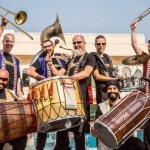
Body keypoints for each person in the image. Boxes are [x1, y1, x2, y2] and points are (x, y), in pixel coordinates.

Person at [54, 34, 97, 150]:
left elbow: (86, 73)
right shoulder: (71, 60)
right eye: (74, 43)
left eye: (79, 42)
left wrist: (69, 78)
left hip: (80, 100)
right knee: (62, 132)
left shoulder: (90, 56)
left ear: (84, 43)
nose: (77, 45)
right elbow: (59, 74)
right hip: (66, 100)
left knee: (79, 135)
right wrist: (50, 63)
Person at [27, 39, 66, 150]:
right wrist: (41, 78)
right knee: (43, 128)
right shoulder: (40, 60)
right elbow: (29, 71)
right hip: (45, 97)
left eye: (49, 46)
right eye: (44, 47)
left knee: (62, 126)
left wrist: (50, 64)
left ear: (53, 46)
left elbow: (59, 74)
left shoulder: (61, 59)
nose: (47, 48)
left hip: (60, 97)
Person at [91, 80, 146, 150]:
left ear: (118, 91)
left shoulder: (126, 104)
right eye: (109, 88)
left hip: (123, 139)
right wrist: (93, 131)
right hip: (107, 140)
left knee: (140, 145)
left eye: (114, 88)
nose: (112, 90)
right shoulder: (100, 106)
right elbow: (96, 125)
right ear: (106, 91)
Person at [130, 20, 150, 150]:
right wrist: (133, 30)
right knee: (147, 132)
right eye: (149, 46)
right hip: (147, 101)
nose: (149, 48)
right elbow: (134, 44)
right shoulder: (146, 59)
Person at [0, 68, 27, 150]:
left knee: (22, 137)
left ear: (8, 80)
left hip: (9, 131)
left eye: (4, 80)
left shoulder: (10, 94)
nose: (1, 81)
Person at [93, 35, 120, 104]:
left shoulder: (107, 57)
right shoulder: (94, 57)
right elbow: (97, 76)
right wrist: (112, 79)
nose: (101, 46)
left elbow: (112, 72)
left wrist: (117, 76)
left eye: (103, 44)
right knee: (104, 111)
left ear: (106, 45)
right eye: (98, 44)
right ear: (95, 45)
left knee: (116, 110)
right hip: (102, 91)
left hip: (112, 89)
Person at [0, 17, 22, 98]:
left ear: (13, 43)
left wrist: (19, 94)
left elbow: (18, 80)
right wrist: (3, 25)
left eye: (11, 41)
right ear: (3, 42)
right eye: (6, 41)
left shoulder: (16, 60)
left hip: (11, 94)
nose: (8, 43)